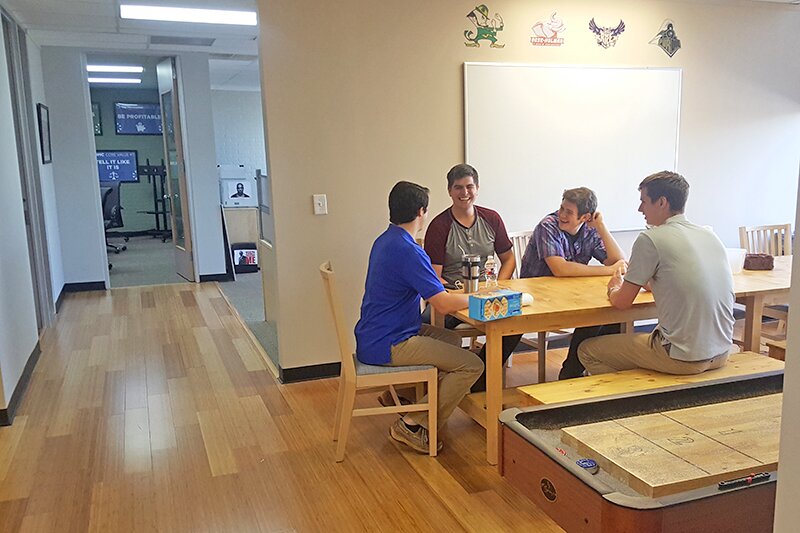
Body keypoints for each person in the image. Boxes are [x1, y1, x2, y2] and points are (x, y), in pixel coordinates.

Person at [355, 181, 483, 454]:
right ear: (421, 212)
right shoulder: (409, 250)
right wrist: (480, 299)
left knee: (451, 339)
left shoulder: (386, 240)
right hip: (390, 342)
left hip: (377, 333)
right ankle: (414, 424)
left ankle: (416, 400)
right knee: (472, 365)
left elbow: (433, 292)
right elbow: (443, 304)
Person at [578, 171, 734, 375]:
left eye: (644, 201)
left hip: (682, 357)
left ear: (662, 202)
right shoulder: (709, 235)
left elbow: (622, 302)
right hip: (722, 352)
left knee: (587, 350)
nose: (640, 208)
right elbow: (674, 279)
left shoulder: (650, 239)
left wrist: (614, 288)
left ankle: (631, 399)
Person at [423, 163, 519, 392]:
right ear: (449, 191)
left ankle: (481, 380)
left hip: (487, 293)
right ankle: (428, 387)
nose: (464, 193)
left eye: (469, 187)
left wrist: (499, 285)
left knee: (516, 322)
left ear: (477, 188)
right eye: (458, 187)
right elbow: (434, 276)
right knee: (426, 323)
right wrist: (459, 294)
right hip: (453, 295)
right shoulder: (439, 226)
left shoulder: (492, 219)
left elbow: (509, 259)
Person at [519, 187, 628, 379]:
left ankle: (577, 370)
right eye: (562, 208)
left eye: (568, 212)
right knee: (595, 315)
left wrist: (601, 227)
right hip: (538, 297)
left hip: (573, 295)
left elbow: (619, 262)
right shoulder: (548, 225)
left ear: (585, 217)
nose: (562, 214)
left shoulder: (590, 229)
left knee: (610, 314)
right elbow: (560, 269)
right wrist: (608, 270)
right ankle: (571, 372)